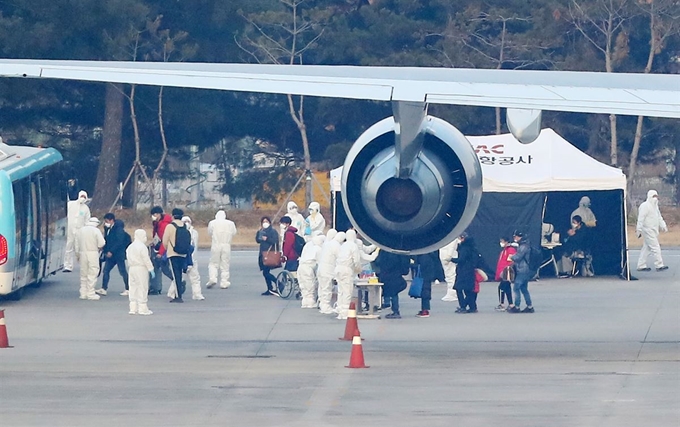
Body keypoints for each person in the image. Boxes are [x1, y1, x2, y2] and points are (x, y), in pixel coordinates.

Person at [96, 213, 130, 296]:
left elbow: (119, 242)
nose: (106, 223)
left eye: (107, 221)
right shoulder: (108, 229)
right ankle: (104, 288)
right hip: (111, 255)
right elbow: (107, 240)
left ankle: (128, 288)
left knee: (122, 271)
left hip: (118, 254)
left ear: (111, 220)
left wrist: (111, 251)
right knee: (106, 270)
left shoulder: (118, 229)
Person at [636, 189, 669, 272]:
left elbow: (659, 217)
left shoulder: (655, 207)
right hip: (647, 230)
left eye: (656, 196)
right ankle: (659, 264)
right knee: (655, 247)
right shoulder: (645, 206)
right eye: (654, 196)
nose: (655, 198)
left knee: (646, 248)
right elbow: (641, 219)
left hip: (654, 230)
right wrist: (638, 230)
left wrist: (663, 225)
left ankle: (641, 265)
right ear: (649, 196)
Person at [125, 229, 155, 315]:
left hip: (132, 268)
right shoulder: (142, 247)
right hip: (141, 268)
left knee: (133, 287)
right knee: (142, 287)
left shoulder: (130, 246)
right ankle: (142, 308)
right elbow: (146, 259)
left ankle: (133, 308)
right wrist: (150, 269)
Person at [162, 208, 188, 303]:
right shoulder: (184, 225)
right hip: (183, 253)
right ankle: (179, 293)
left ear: (173, 216)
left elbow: (165, 241)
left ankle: (178, 296)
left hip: (173, 253)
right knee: (180, 274)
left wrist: (167, 248)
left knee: (175, 274)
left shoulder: (170, 226)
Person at [75, 217, 105, 300]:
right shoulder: (96, 231)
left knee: (83, 274)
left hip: (82, 253)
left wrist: (77, 255)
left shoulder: (80, 231)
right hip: (93, 253)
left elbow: (76, 245)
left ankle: (83, 293)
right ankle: (90, 293)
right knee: (92, 273)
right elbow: (101, 243)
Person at [334, 229, 361, 320]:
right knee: (347, 291)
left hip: (338, 269)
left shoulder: (343, 245)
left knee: (340, 290)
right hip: (347, 270)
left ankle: (340, 309)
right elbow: (356, 260)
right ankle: (345, 311)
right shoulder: (353, 246)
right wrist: (358, 269)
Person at [206, 210, 237, 289]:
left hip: (216, 244)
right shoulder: (230, 223)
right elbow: (234, 233)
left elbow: (209, 232)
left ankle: (212, 278)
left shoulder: (212, 223)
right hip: (226, 245)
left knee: (213, 263)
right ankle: (224, 282)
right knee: (225, 264)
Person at [376, 250, 410, 319]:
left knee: (391, 292)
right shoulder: (398, 252)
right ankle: (395, 310)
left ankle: (393, 308)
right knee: (394, 293)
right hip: (396, 275)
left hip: (386, 275)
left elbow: (378, 262)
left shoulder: (383, 251)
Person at [452, 232, 480, 314]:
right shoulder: (472, 247)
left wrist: (452, 259)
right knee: (469, 290)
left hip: (463, 271)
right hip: (470, 270)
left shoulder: (464, 248)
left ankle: (463, 305)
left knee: (459, 288)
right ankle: (472, 306)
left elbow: (461, 259)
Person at [317, 230, 344, 314]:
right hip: (328, 270)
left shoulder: (326, 243)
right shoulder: (336, 245)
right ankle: (325, 307)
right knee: (327, 288)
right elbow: (340, 258)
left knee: (322, 287)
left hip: (321, 268)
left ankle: (322, 304)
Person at [507, 231, 535, 313]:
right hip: (526, 269)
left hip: (522, 269)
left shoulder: (523, 246)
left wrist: (511, 257)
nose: (514, 238)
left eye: (516, 237)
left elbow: (518, 257)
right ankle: (529, 306)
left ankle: (517, 306)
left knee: (516, 288)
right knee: (524, 289)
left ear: (520, 237)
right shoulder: (526, 245)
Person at [64, 190, 91, 272]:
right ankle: (67, 265)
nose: (82, 198)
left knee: (79, 249)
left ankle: (83, 265)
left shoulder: (86, 209)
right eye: (81, 196)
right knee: (69, 248)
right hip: (70, 230)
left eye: (84, 197)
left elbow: (87, 221)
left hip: (80, 231)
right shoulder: (71, 204)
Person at [297, 231, 326, 308]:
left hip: (301, 266)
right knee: (310, 286)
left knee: (303, 285)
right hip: (309, 267)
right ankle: (310, 303)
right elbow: (320, 262)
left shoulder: (308, 244)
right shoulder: (319, 248)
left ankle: (305, 302)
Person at [414, 250, 445, 317]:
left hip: (424, 275)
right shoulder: (432, 254)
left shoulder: (423, 256)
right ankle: (424, 309)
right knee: (426, 290)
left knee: (425, 291)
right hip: (429, 274)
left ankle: (425, 310)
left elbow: (420, 265)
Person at [149, 206, 173, 295]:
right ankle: (155, 287)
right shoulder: (157, 223)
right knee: (158, 267)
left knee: (163, 268)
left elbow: (165, 240)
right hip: (159, 247)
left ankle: (176, 280)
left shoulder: (164, 225)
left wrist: (160, 252)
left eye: (155, 214)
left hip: (164, 249)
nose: (153, 216)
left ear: (159, 214)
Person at [256, 216, 280, 296]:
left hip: (269, 253)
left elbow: (275, 241)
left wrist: (267, 239)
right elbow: (258, 240)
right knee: (265, 272)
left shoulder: (272, 231)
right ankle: (270, 288)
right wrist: (258, 232)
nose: (265, 223)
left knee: (266, 272)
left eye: (266, 221)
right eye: (263, 222)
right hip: (262, 253)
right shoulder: (262, 231)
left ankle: (277, 283)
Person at [182, 216, 205, 300]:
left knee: (195, 278)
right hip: (182, 259)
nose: (186, 223)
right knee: (179, 278)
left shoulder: (195, 232)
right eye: (184, 221)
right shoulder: (179, 232)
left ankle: (197, 294)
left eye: (188, 221)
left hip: (193, 259)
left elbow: (194, 246)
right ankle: (173, 293)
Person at [495, 236, 516, 311]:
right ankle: (510, 304)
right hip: (504, 272)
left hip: (506, 272)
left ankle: (502, 304)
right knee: (507, 288)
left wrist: (506, 271)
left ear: (506, 242)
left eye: (502, 241)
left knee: (502, 287)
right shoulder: (504, 250)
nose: (501, 243)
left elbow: (511, 261)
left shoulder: (510, 250)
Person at [439, 238, 460, 302]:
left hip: (448, 258)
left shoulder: (451, 236)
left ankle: (453, 293)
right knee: (448, 275)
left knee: (451, 275)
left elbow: (452, 247)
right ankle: (451, 292)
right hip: (445, 257)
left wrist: (448, 256)